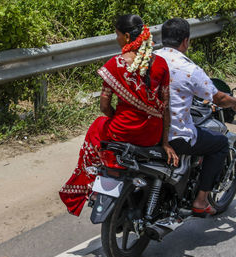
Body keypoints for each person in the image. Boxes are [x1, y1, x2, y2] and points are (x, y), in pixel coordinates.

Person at [59, 14, 178, 216]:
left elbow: (104, 106)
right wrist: (165, 143)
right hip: (151, 134)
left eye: (117, 35)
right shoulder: (160, 64)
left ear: (126, 36)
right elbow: (165, 107)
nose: (116, 39)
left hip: (122, 132)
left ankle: (90, 182)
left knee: (99, 125)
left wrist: (117, 118)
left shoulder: (115, 65)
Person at [155, 18, 236, 216]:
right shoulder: (189, 69)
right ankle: (200, 201)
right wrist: (234, 102)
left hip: (146, 130)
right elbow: (218, 98)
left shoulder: (148, 59)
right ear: (185, 41)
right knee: (220, 144)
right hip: (175, 135)